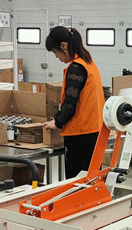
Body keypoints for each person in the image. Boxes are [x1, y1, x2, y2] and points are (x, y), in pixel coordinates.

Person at [42, 26, 105, 178]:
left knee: (76, 182)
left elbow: (70, 104)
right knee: (92, 179)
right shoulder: (88, 63)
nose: (56, 57)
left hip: (80, 135)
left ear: (63, 46)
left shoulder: (76, 68)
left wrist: (57, 122)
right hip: (95, 131)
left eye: (55, 52)